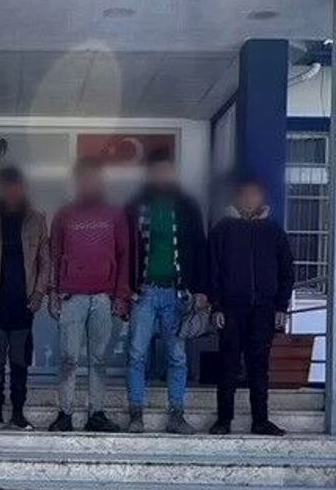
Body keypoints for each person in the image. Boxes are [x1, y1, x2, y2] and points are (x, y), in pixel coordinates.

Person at [123, 148, 206, 434]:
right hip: (143, 291)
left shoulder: (187, 206)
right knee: (136, 354)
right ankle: (136, 415)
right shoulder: (135, 205)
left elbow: (200, 247)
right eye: (156, 170)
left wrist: (201, 289)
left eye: (166, 170)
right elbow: (125, 248)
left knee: (177, 356)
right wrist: (126, 287)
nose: (161, 175)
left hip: (176, 293)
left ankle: (176, 416)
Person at [206, 178, 295, 436]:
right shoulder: (222, 230)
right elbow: (212, 270)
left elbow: (287, 272)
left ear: (261, 198)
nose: (249, 199)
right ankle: (224, 420)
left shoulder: (274, 232)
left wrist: (281, 306)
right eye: (244, 195)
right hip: (230, 309)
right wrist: (216, 306)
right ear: (236, 198)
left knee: (259, 367)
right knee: (228, 365)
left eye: (254, 195)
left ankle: (261, 421)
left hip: (264, 310)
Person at [48, 157, 130, 433]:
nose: (88, 183)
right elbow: (54, 254)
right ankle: (65, 414)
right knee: (68, 359)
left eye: (93, 178)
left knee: (99, 360)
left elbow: (124, 255)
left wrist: (121, 294)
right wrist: (53, 292)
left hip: (104, 298)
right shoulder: (64, 214)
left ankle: (97, 413)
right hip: (71, 297)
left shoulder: (115, 214)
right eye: (83, 178)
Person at [0, 166, 49, 431]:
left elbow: (45, 260)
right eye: (6, 186)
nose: (11, 191)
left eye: (16, 186)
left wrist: (39, 292)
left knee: (20, 362)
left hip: (23, 304)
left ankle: (18, 413)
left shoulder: (36, 219)